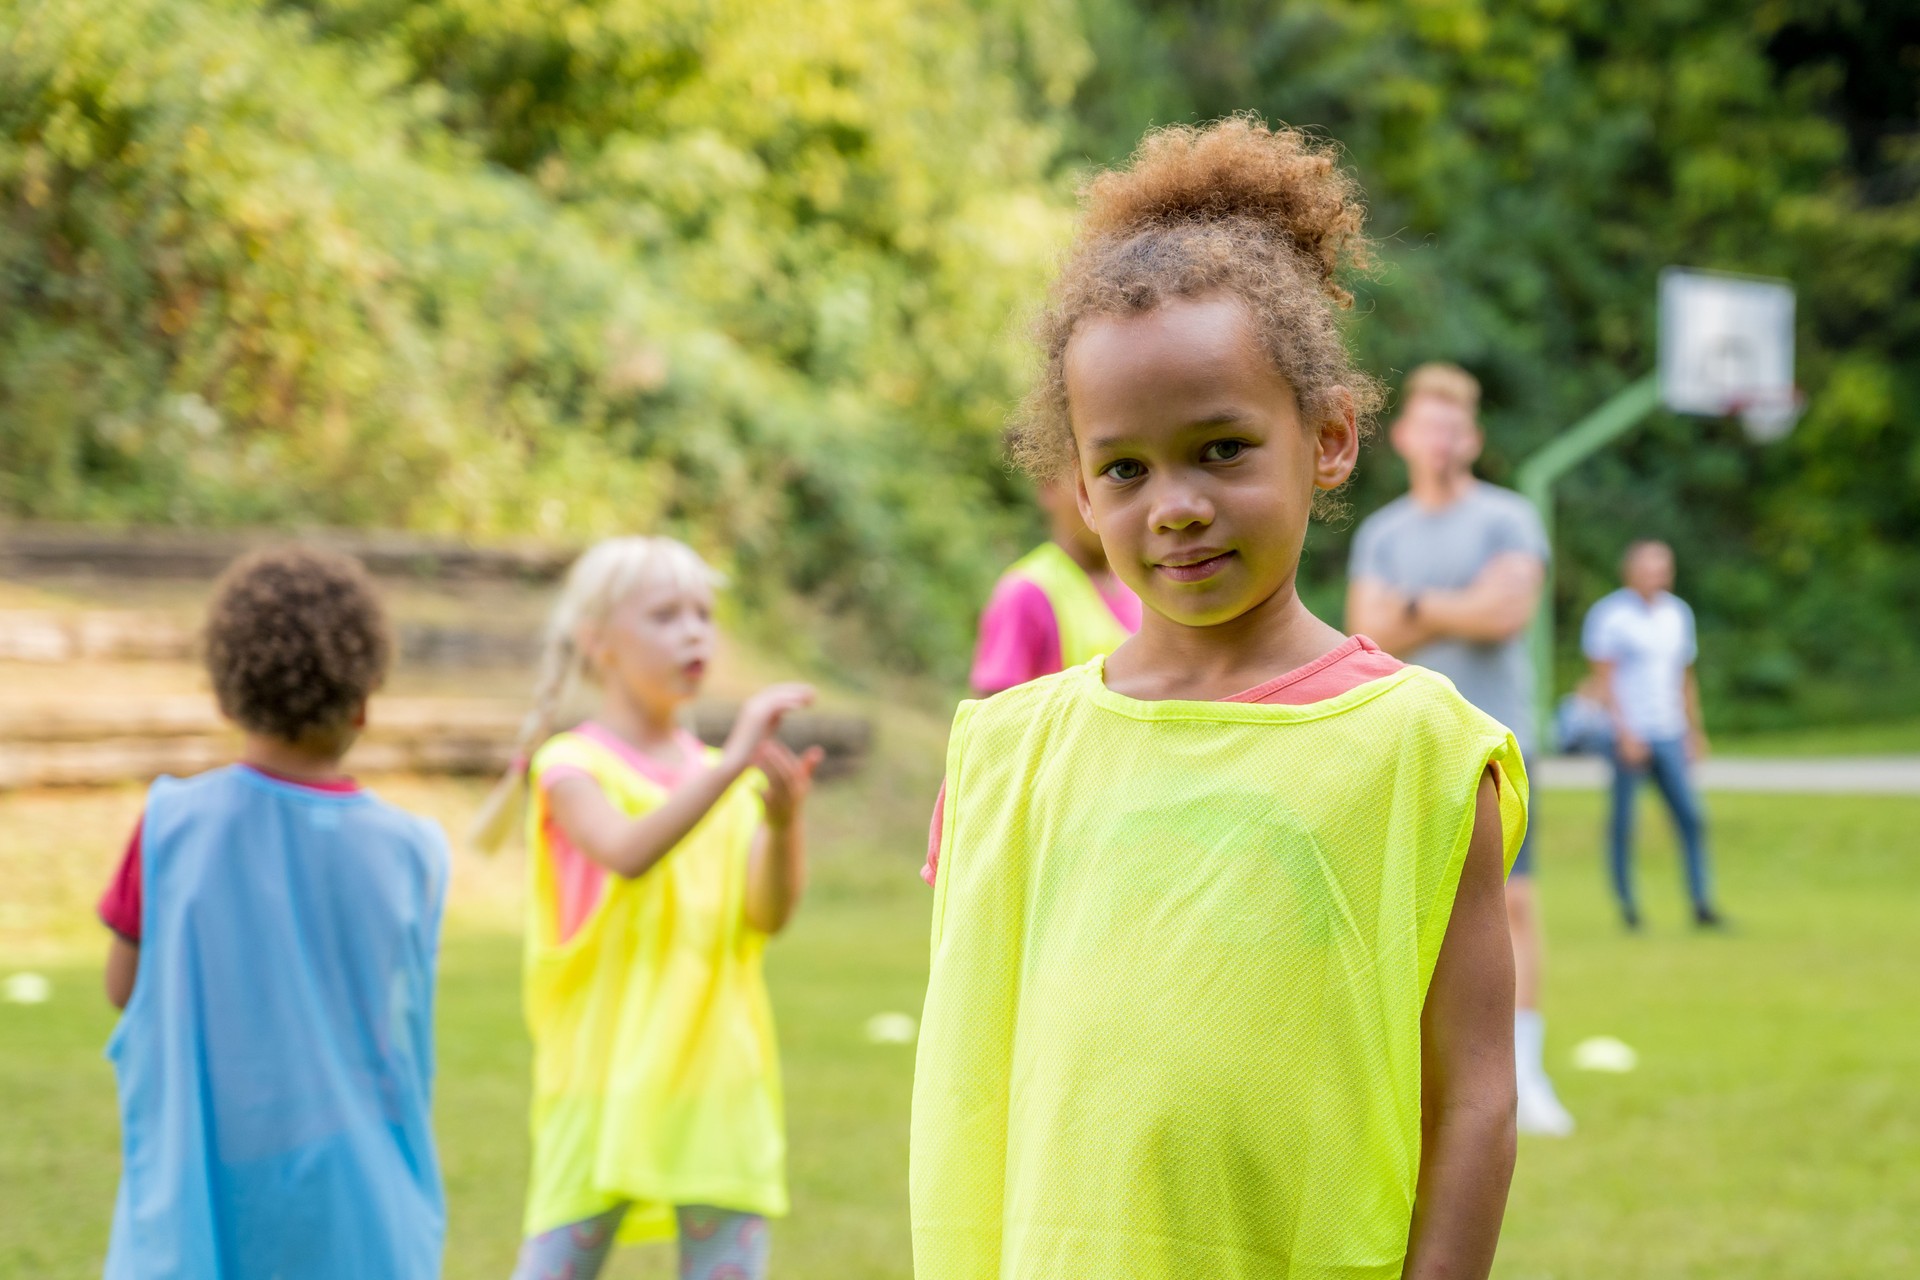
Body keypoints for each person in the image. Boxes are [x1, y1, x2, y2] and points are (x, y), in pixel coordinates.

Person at [912, 118, 1526, 1279]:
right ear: (1080, 488)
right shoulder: (1007, 754)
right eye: (1126, 468)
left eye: (1222, 448)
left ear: (1331, 436)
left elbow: (1477, 1098)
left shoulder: (1424, 755)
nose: (1176, 505)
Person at [470, 536, 823, 1280]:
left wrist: (784, 823)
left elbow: (765, 915)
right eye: (665, 614)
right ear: (597, 643)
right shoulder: (571, 765)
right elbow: (627, 852)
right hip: (602, 1083)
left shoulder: (713, 779)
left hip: (718, 1083)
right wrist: (731, 768)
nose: (694, 630)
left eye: (703, 612)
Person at [97, 547, 450, 1277]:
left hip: (210, 1198)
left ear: (228, 696)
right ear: (364, 698)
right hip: (360, 1207)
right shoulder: (413, 853)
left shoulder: (170, 828)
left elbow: (124, 988)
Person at [1345, 362, 1574, 1138]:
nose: (1440, 440)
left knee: (1511, 904)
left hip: (1498, 739)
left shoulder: (1508, 518)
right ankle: (1420, 1075)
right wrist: (1453, 608)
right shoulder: (1383, 532)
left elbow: (1507, 609)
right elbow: (1367, 637)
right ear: (1405, 435)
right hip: (1407, 745)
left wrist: (1416, 608)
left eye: (1454, 427)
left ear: (1472, 437)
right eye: (1427, 425)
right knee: (1412, 912)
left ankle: (1527, 1072)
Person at [1582, 540, 1722, 929]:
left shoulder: (1678, 614)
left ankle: (1701, 902)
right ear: (1630, 572)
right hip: (1630, 734)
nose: (1656, 576)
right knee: (1625, 823)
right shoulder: (1610, 616)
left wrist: (1694, 729)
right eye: (1648, 569)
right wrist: (1625, 731)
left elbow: (1684, 676)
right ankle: (1628, 907)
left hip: (1670, 730)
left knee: (1691, 817)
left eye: (1663, 569)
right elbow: (1603, 678)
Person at [971, 477, 1141, 695]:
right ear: (1048, 485)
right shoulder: (1027, 592)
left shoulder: (1138, 586)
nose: (1101, 505)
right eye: (1085, 487)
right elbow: (993, 716)